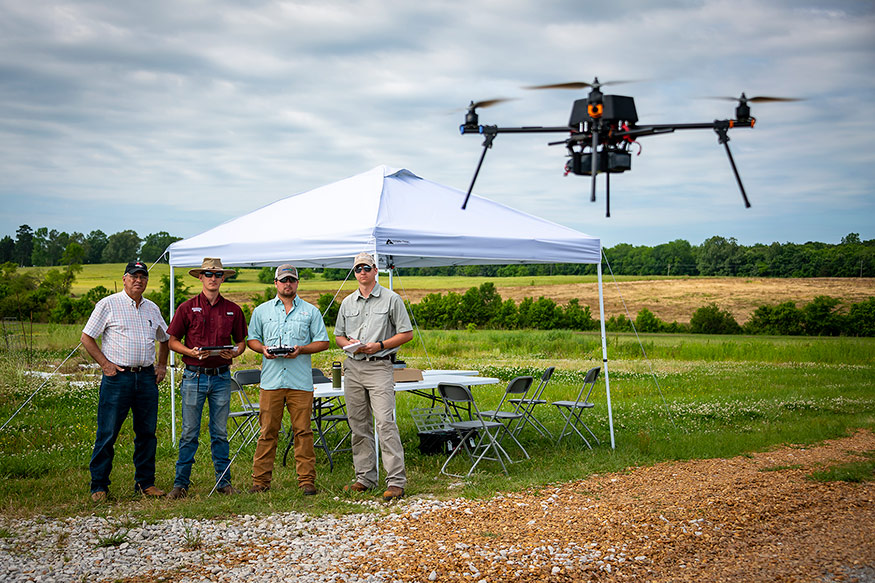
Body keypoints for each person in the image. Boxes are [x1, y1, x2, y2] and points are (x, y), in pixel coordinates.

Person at [80, 261, 170, 502]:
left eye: (143, 276)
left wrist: (161, 365)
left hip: (146, 377)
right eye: (134, 276)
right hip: (118, 378)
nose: (138, 280)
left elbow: (165, 338)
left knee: (147, 433)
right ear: (124, 278)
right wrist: (105, 364)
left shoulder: (152, 308)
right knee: (108, 432)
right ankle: (99, 485)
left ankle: (145, 483)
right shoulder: (108, 304)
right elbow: (87, 337)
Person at [165, 258, 248, 499]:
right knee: (189, 432)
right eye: (208, 274)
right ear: (200, 277)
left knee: (220, 432)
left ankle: (224, 482)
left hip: (222, 377)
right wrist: (190, 352)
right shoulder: (186, 307)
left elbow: (241, 342)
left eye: (218, 274)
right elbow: (172, 341)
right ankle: (181, 484)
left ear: (223, 278)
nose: (213, 278)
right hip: (194, 376)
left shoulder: (233, 309)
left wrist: (234, 352)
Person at [334, 252, 413, 501]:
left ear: (375, 270)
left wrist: (379, 345)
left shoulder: (392, 299)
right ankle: (365, 477)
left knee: (385, 423)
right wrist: (350, 344)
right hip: (354, 366)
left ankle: (396, 481)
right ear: (354, 273)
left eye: (366, 267)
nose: (362, 272)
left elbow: (406, 333)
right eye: (358, 269)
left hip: (380, 365)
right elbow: (338, 336)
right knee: (358, 425)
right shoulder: (347, 302)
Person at [246, 264, 329, 495]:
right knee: (267, 432)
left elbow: (323, 342)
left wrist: (301, 349)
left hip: (300, 382)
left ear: (297, 283)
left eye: (291, 280)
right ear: (276, 283)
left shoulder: (311, 312)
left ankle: (306, 482)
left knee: (303, 431)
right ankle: (260, 482)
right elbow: (251, 339)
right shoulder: (262, 311)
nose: (287, 284)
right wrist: (262, 349)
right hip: (271, 382)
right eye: (283, 280)